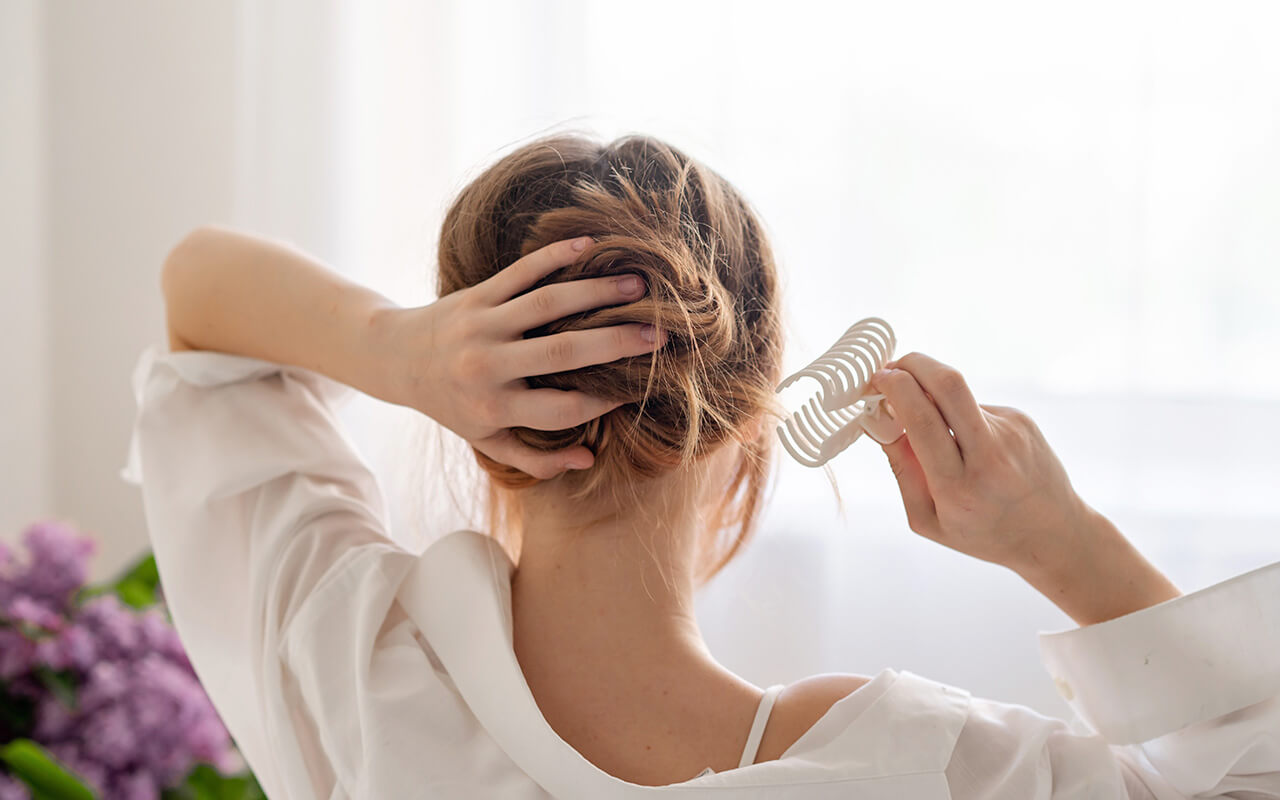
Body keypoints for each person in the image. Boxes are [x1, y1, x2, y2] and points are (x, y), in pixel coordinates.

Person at [123, 133, 1280, 799]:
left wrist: (393, 350)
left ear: (472, 397)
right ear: (745, 423)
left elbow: (197, 297)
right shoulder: (917, 767)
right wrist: (1058, 539)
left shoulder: (348, 659)